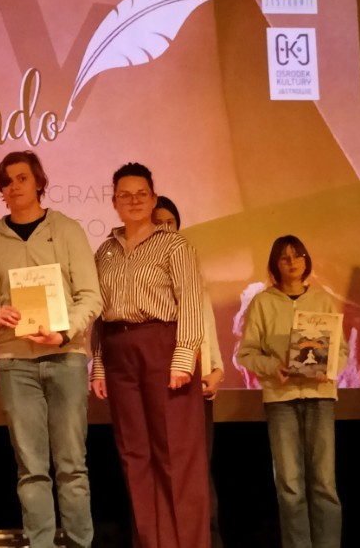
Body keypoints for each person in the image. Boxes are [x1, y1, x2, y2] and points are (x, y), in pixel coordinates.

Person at [0, 150, 102, 548]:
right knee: (31, 470)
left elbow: (90, 297)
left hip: (66, 357)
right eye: (6, 181)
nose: (14, 186)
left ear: (39, 182)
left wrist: (63, 334)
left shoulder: (67, 230)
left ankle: (80, 543)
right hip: (16, 364)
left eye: (22, 178)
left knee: (72, 467)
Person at [90, 163, 208, 548]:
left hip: (163, 347)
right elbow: (99, 313)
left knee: (176, 454)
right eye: (125, 195)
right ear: (114, 202)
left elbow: (191, 302)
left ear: (154, 198)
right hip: (118, 350)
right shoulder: (105, 251)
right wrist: (99, 365)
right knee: (134, 455)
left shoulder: (175, 245)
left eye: (142, 194)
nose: (134, 201)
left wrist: (183, 357)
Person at [236, 235, 347, 548]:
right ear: (275, 264)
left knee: (324, 483)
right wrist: (274, 366)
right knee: (290, 486)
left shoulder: (323, 300)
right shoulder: (263, 302)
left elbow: (342, 350)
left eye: (298, 255)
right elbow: (246, 354)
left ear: (306, 260)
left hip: (320, 397)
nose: (292, 262)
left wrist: (328, 367)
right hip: (281, 399)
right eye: (284, 257)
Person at [153, 195, 225, 548]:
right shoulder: (145, 277)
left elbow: (206, 327)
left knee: (200, 470)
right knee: (164, 469)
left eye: (171, 223)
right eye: (159, 223)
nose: (166, 228)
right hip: (162, 384)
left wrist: (217, 370)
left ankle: (206, 537)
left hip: (198, 385)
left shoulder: (191, 272)